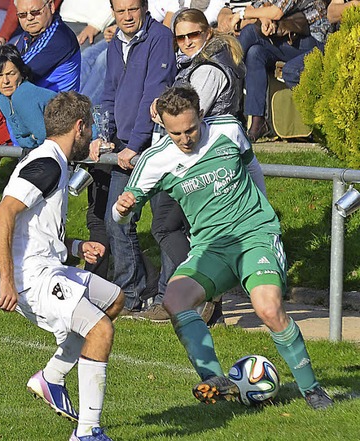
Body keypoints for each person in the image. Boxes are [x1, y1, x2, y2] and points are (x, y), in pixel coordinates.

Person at [114, 85, 334, 411]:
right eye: (176, 133)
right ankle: (216, 380)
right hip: (211, 247)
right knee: (175, 299)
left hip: (254, 234)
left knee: (269, 309)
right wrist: (123, 208)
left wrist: (262, 212)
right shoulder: (155, 160)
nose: (185, 138)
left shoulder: (229, 128)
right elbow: (120, 218)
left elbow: (252, 166)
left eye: (191, 129)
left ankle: (313, 390)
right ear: (163, 125)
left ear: (201, 115)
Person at [0, 91, 124, 441]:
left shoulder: (56, 163)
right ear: (79, 127)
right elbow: (2, 214)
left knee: (114, 300)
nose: (93, 135)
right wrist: (7, 281)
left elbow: (35, 228)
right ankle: (87, 432)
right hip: (29, 277)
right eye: (91, 128)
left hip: (45, 266)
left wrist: (78, 246)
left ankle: (51, 378)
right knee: (100, 331)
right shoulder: (47, 164)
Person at [141, 8, 247, 323]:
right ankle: (207, 307)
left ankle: (208, 282)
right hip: (199, 158)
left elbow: (184, 113)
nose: (187, 42)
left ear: (207, 33)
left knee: (163, 226)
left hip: (199, 160)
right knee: (186, 228)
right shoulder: (197, 64)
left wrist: (161, 109)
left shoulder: (208, 69)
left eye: (193, 35)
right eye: (181, 36)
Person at [90, 0, 175, 314]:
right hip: (124, 145)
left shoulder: (161, 38)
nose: (126, 16)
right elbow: (109, 93)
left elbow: (156, 94)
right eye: (120, 10)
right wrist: (104, 134)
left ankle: (170, 299)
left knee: (165, 227)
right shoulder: (114, 44)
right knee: (118, 221)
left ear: (145, 7)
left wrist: (136, 144)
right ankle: (132, 294)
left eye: (132, 9)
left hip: (156, 147)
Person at [217, 0, 331, 141]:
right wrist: (263, 18)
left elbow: (276, 12)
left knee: (251, 32)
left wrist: (241, 14)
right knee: (255, 53)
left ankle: (220, 76)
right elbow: (260, 4)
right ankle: (258, 123)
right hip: (292, 39)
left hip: (315, 41)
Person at [0, 44, 56, 148]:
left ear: (21, 73)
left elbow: (43, 137)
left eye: (11, 74)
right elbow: (20, 138)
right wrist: (32, 139)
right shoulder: (1, 98)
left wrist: (31, 139)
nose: (5, 81)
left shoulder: (24, 93)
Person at [12, 0, 80, 92]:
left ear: (51, 7)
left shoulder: (58, 38)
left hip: (57, 104)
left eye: (35, 12)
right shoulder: (30, 33)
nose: (29, 18)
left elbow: (14, 74)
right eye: (22, 15)